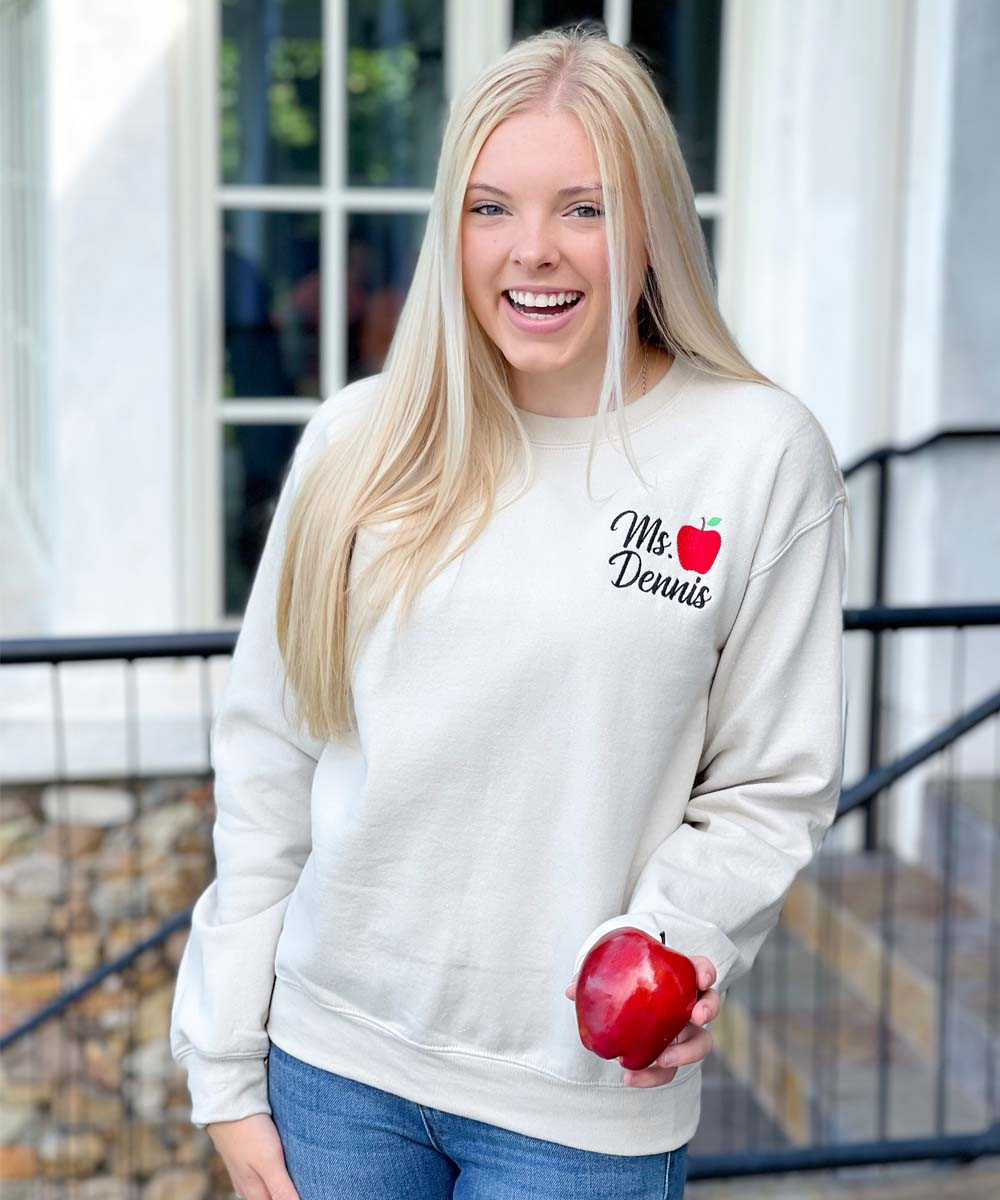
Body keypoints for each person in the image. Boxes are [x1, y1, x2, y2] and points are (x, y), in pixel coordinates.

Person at [169, 22, 850, 1200]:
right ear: (453, 226)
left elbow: (768, 785)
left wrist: (679, 945)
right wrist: (226, 1062)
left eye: (583, 208)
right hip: (332, 1069)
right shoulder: (360, 441)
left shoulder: (755, 454)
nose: (532, 252)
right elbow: (271, 761)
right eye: (491, 208)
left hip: (575, 1104)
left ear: (649, 230)